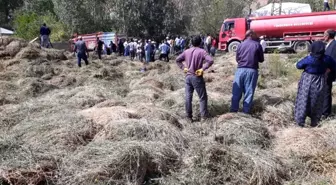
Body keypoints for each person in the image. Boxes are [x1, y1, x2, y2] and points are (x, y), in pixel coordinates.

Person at [295, 41, 336, 127]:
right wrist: (328, 70)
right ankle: (314, 122)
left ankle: (300, 121)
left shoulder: (310, 58)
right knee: (317, 100)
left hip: (307, 81)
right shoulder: (327, 59)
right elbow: (334, 66)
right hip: (320, 80)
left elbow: (298, 65)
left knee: (304, 99)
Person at [176, 36, 214, 122]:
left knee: (188, 97)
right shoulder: (202, 52)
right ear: (200, 43)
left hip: (188, 77)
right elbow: (210, 60)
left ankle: (188, 117)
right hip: (197, 77)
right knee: (202, 97)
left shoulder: (186, 51)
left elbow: (177, 60)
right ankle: (204, 117)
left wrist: (183, 67)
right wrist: (202, 69)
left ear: (191, 43)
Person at [230, 30, 264, 114]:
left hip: (240, 70)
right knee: (249, 92)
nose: (256, 36)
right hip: (252, 70)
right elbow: (261, 59)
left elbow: (237, 59)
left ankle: (233, 111)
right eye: (255, 34)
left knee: (236, 91)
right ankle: (245, 112)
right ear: (251, 35)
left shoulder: (240, 45)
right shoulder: (257, 45)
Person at [323, 29, 336, 117]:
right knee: (325, 91)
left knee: (326, 91)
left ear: (328, 36)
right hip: (326, 71)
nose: (323, 37)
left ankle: (326, 113)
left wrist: (329, 69)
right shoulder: (329, 44)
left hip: (329, 72)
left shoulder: (334, 45)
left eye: (324, 35)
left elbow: (334, 59)